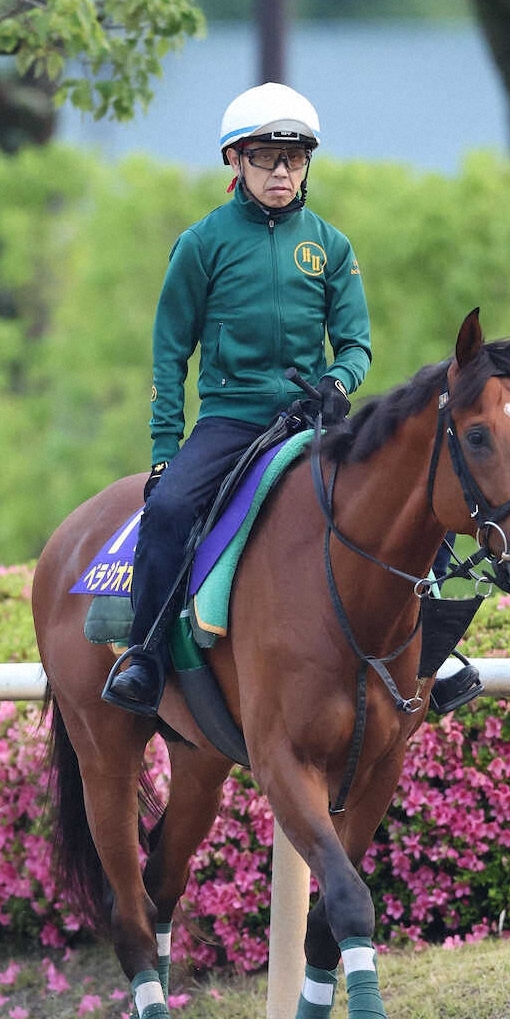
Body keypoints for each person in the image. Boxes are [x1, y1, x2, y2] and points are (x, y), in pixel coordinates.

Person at [103, 82, 372, 717]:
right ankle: (143, 654)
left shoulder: (332, 246)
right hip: (230, 419)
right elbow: (170, 355)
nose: (282, 172)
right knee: (168, 512)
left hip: (311, 415)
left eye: (295, 158)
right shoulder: (201, 244)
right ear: (234, 161)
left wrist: (339, 381)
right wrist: (165, 450)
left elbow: (356, 344)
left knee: (411, 483)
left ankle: (433, 652)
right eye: (265, 157)